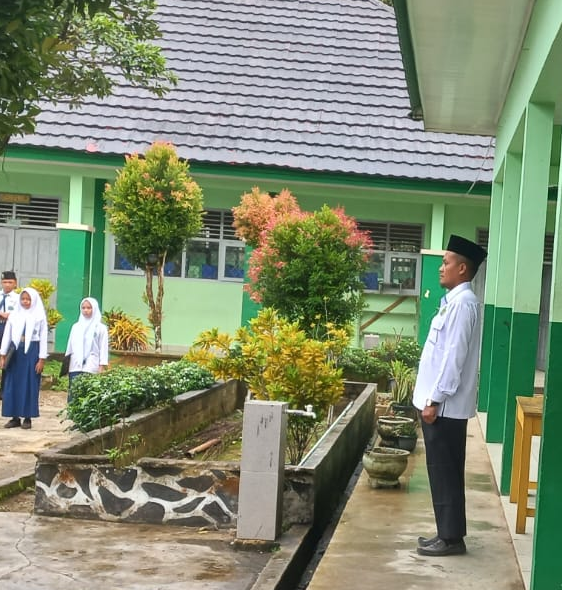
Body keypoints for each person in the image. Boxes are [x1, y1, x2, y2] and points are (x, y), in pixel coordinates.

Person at [413, 234, 487, 557]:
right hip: (441, 405)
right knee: (443, 472)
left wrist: (435, 400)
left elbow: (453, 358)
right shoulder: (454, 302)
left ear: (462, 268)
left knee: (445, 472)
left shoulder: (463, 304)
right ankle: (447, 533)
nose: (441, 268)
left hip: (444, 408)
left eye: (445, 263)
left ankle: (452, 539)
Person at [0, 287, 49, 429]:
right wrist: (2, 355)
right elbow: (7, 335)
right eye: (23, 299)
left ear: (34, 300)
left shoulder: (39, 316)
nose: (25, 302)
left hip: (32, 352)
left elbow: (43, 338)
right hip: (15, 352)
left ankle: (27, 417)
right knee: (12, 383)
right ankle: (14, 417)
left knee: (29, 384)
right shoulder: (15, 315)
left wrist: (41, 359)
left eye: (28, 299)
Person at [65, 297, 109, 398]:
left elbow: (103, 347)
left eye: (89, 308)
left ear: (94, 308)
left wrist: (101, 366)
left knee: (88, 393)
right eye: (83, 308)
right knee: (74, 392)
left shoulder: (100, 328)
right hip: (75, 365)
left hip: (91, 364)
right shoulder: (76, 326)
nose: (86, 310)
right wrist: (66, 365)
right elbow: (70, 346)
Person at [0, 270, 19, 400]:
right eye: (5, 282)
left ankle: (4, 390)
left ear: (15, 283)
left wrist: (9, 316)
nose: (7, 285)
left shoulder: (18, 298)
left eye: (10, 282)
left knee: (7, 359)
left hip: (10, 329)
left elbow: (20, 314)